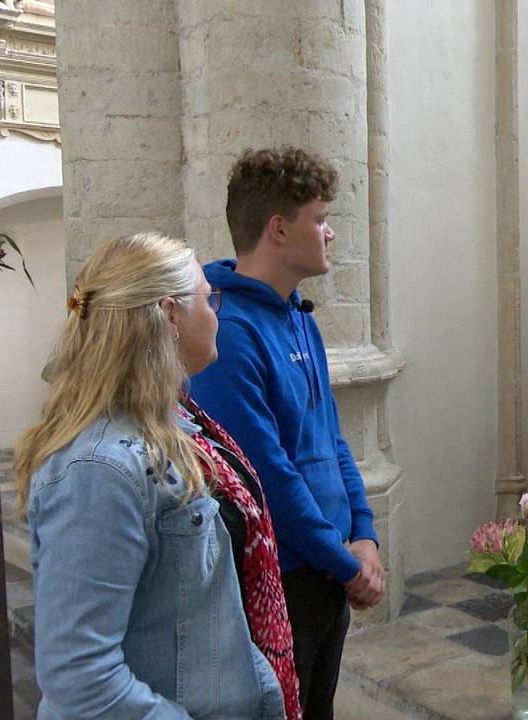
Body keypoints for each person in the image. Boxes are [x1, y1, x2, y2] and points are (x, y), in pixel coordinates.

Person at [14, 232, 288, 719]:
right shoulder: (98, 469)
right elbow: (82, 677)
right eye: (209, 298)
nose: (216, 313)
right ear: (170, 316)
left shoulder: (176, 422)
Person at [190, 147, 386, 719]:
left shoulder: (300, 315)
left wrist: (365, 535)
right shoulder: (229, 332)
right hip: (284, 574)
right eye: (319, 218)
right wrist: (345, 560)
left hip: (328, 565)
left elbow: (332, 440)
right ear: (278, 228)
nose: (330, 234)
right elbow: (265, 475)